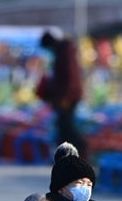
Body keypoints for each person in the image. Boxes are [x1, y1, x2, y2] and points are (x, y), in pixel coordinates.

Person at [37, 30, 87, 160]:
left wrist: (64, 97)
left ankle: (78, 155)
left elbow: (68, 78)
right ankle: (69, 158)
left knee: (66, 128)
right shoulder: (63, 52)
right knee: (64, 127)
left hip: (67, 97)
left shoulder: (64, 53)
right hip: (67, 96)